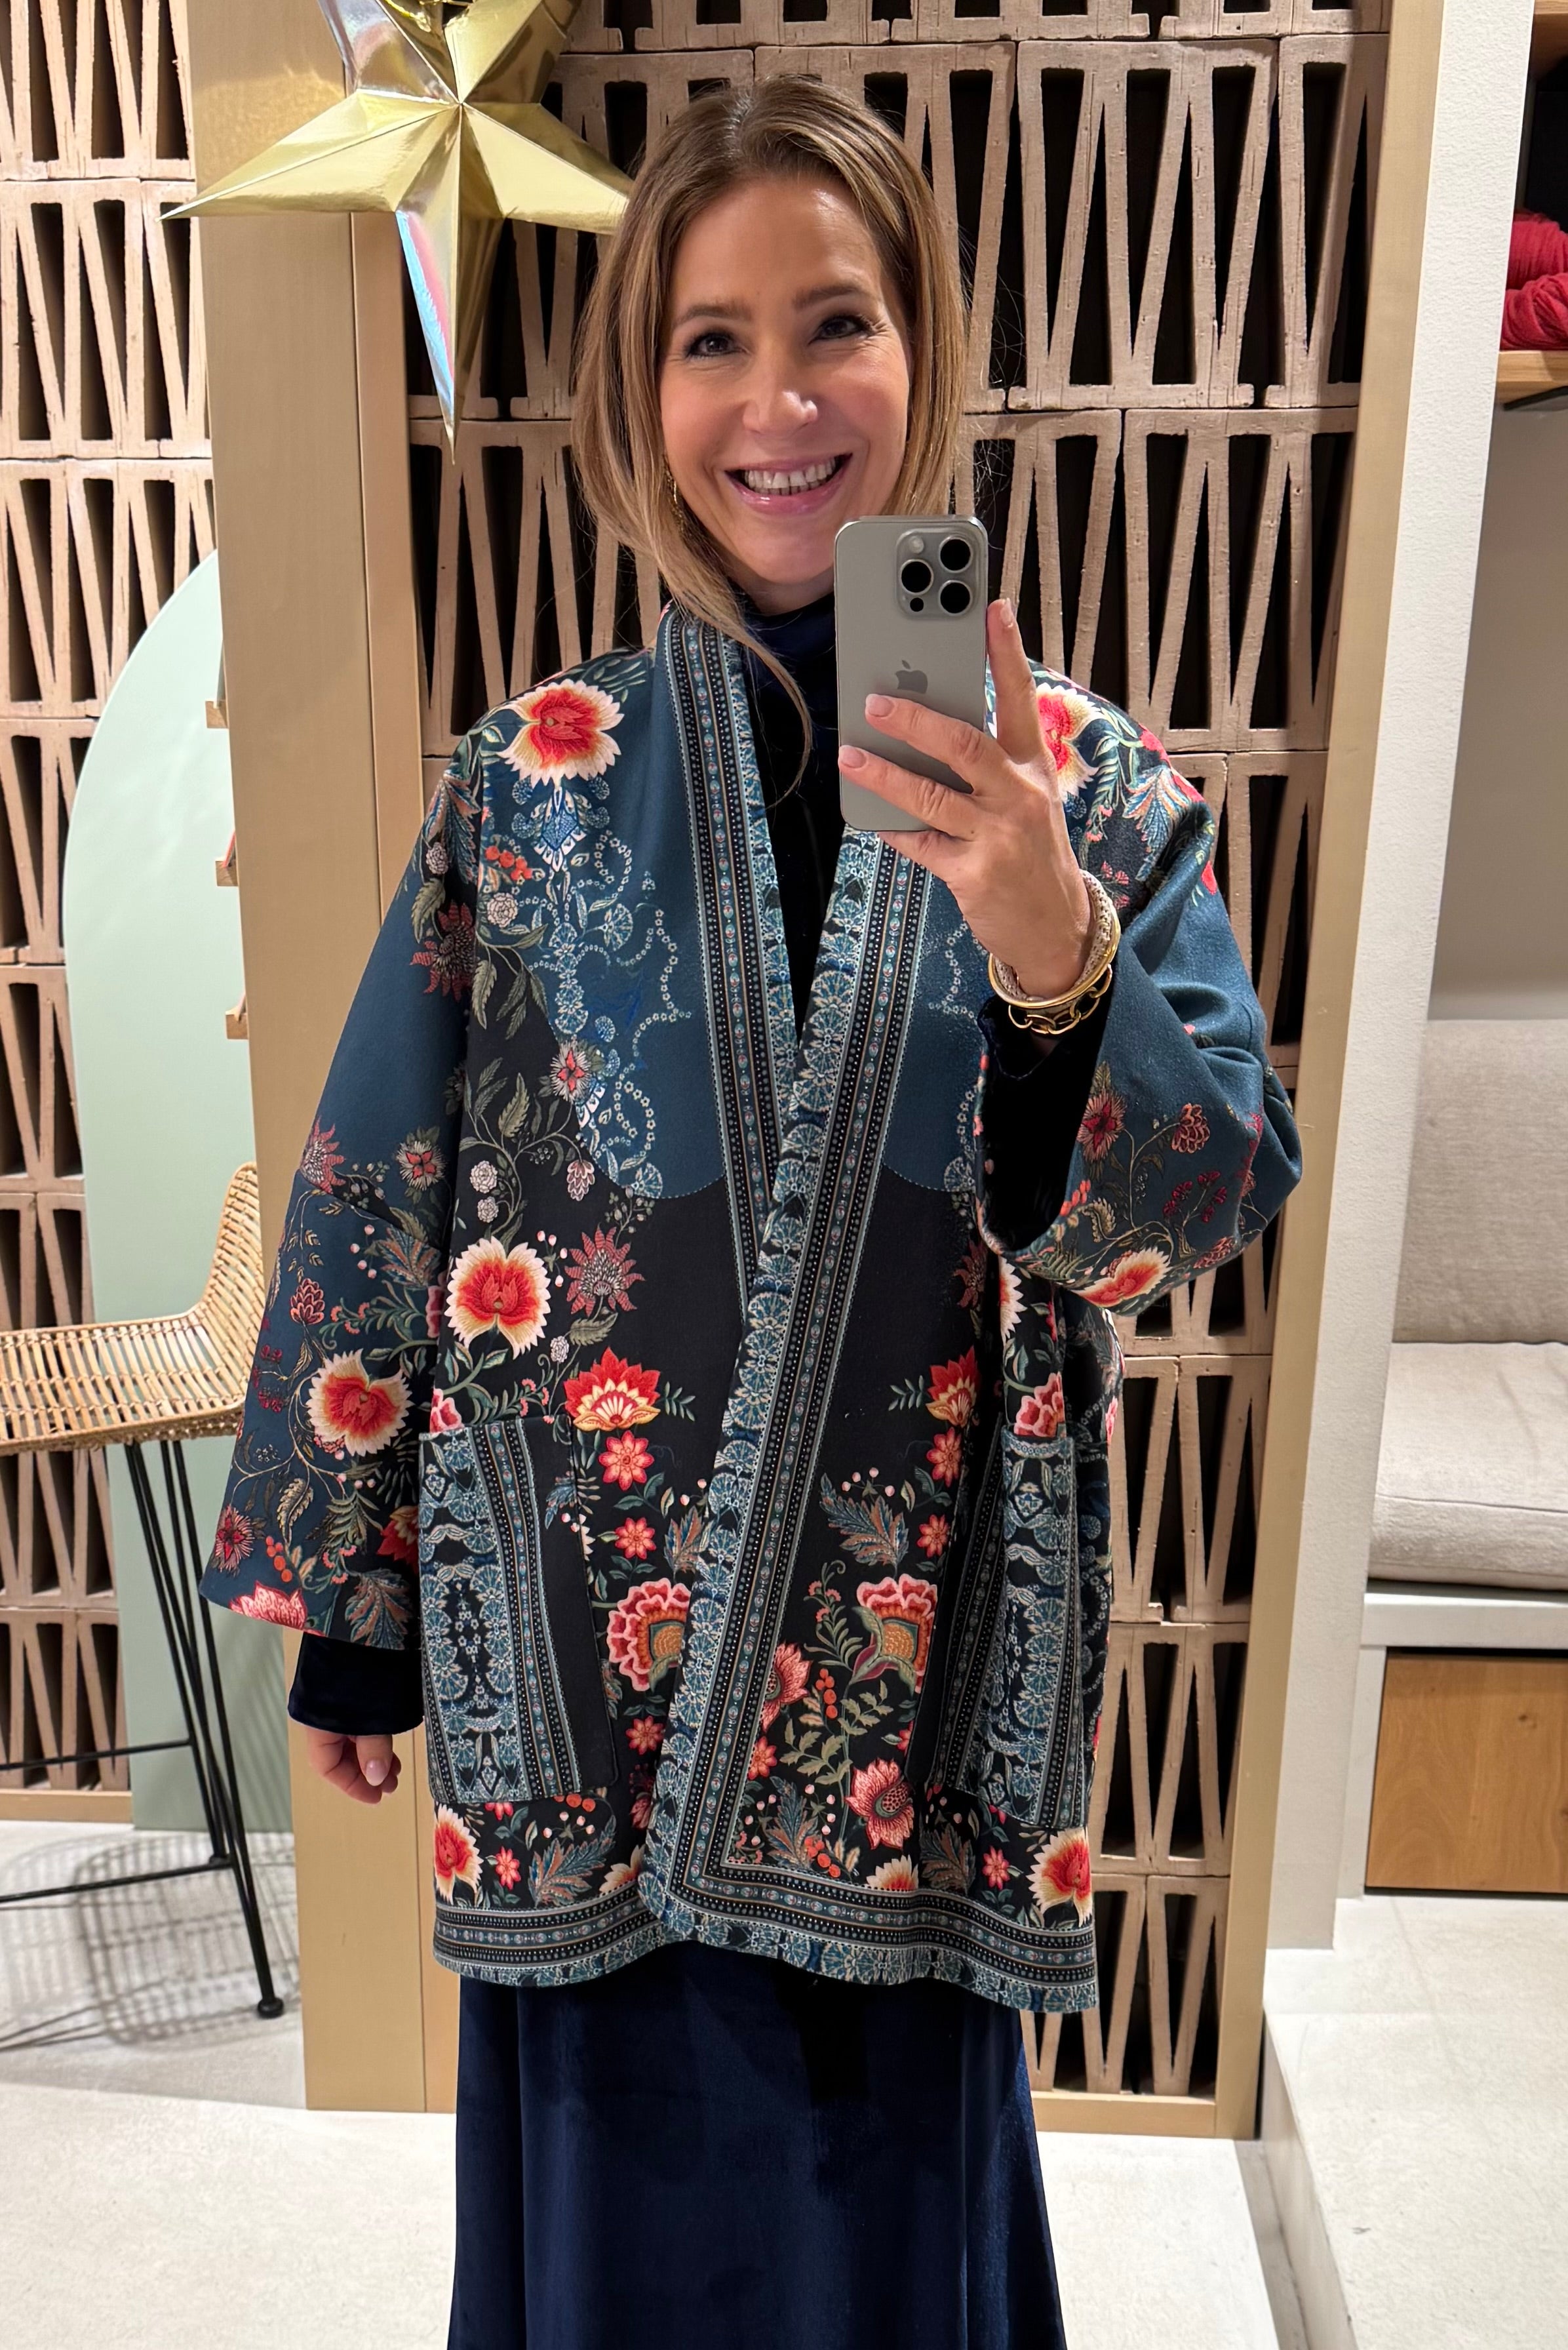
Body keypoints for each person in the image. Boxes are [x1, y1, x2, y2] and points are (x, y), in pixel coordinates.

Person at [203, 77, 1301, 2349]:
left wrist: (1050, 939)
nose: (779, 403)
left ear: (923, 351)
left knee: (888, 2242)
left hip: (916, 1686)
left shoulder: (1084, 783)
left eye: (836, 325)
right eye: (712, 339)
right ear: (643, 388)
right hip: (582, 1671)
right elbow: (385, 1181)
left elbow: (1199, 1204)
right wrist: (357, 1612)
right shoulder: (530, 779)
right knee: (607, 2235)